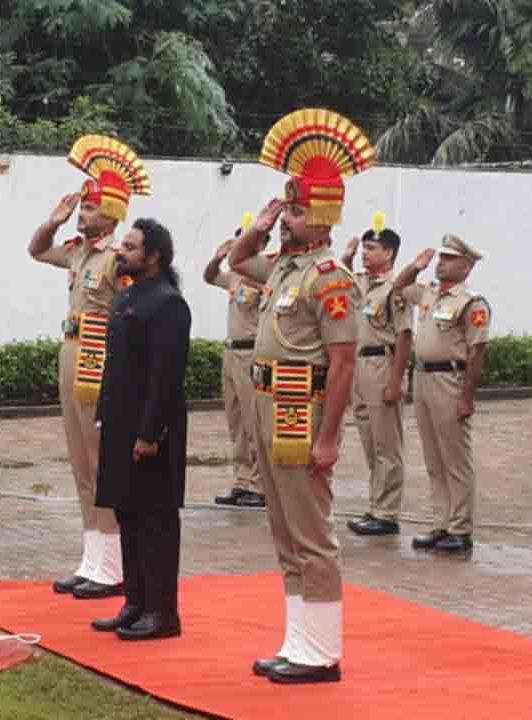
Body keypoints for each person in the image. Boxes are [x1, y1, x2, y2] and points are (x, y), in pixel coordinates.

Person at [229, 108, 373, 684]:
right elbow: (238, 261)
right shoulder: (287, 269)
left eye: (292, 210)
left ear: (320, 218)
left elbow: (342, 365)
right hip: (268, 404)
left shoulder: (331, 277)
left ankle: (323, 651)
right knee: (284, 529)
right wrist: (260, 224)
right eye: (284, 207)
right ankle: (299, 639)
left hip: (300, 409)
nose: (285, 217)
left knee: (310, 531)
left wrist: (330, 437)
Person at [28, 135, 152, 600]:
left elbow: (132, 321)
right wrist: (52, 221)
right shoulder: (79, 251)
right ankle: (92, 557)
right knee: (81, 461)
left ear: (114, 215)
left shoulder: (118, 262)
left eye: (92, 210)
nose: (83, 215)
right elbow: (37, 250)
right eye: (82, 207)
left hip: (100, 361)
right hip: (71, 352)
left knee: (104, 462)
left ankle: (114, 564)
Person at [90, 218, 192, 641]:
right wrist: (103, 414)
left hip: (150, 431)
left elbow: (165, 377)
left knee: (155, 520)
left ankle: (162, 612)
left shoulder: (168, 303)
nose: (121, 252)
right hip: (119, 423)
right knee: (126, 514)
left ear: (154, 256)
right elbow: (116, 365)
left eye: (130, 247)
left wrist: (149, 433)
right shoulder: (128, 295)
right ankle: (135, 602)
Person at [393, 234, 490, 553]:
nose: (441, 263)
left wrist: (466, 397)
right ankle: (441, 523)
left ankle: (460, 529)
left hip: (450, 379)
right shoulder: (429, 293)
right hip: (422, 378)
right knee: (433, 458)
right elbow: (399, 287)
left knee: (454, 459)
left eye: (449, 259)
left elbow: (477, 352)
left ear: (466, 266)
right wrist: (415, 266)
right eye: (441, 257)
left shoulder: (472, 303)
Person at [340, 216, 413, 535]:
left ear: (389, 253)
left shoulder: (395, 290)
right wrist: (346, 256)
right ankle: (376, 506)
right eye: (364, 248)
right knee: (371, 442)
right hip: (360, 367)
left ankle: (387, 513)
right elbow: (340, 284)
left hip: (383, 366)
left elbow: (404, 337)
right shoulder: (362, 283)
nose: (365, 254)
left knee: (387, 444)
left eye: (371, 249)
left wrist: (396, 382)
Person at [204, 224, 266, 508]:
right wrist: (218, 257)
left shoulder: (264, 279)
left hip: (252, 353)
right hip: (232, 353)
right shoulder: (235, 280)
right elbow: (209, 277)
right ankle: (243, 480)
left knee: (255, 421)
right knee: (236, 421)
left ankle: (261, 484)